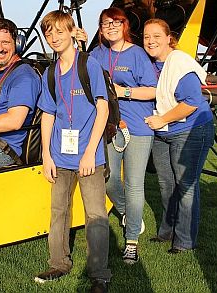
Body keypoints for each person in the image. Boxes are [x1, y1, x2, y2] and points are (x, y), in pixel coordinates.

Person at [35, 11, 111, 293]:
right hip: (59, 156)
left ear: (71, 32)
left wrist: (90, 151)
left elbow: (102, 109)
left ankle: (99, 274)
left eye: (59, 31)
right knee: (58, 213)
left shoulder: (89, 65)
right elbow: (48, 115)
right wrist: (46, 154)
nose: (54, 38)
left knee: (95, 215)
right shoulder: (50, 73)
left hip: (89, 156)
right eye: (49, 33)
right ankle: (58, 263)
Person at [77, 7, 157, 264]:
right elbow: (82, 76)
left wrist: (124, 93)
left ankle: (131, 240)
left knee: (134, 183)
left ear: (125, 26)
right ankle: (126, 213)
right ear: (100, 29)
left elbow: (152, 91)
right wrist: (78, 45)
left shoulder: (138, 55)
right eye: (105, 23)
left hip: (138, 128)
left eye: (116, 22)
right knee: (109, 180)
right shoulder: (96, 54)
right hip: (110, 127)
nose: (111, 27)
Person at [144, 18, 214, 253]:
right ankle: (166, 231)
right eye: (146, 37)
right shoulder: (153, 64)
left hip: (191, 129)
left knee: (185, 185)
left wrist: (162, 119)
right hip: (164, 132)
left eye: (156, 36)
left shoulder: (179, 62)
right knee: (166, 184)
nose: (150, 41)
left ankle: (184, 241)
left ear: (168, 38)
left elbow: (193, 102)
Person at [0, 18, 41, 169]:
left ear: (17, 43)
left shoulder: (23, 76)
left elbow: (14, 120)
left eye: (5, 42)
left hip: (0, 149)